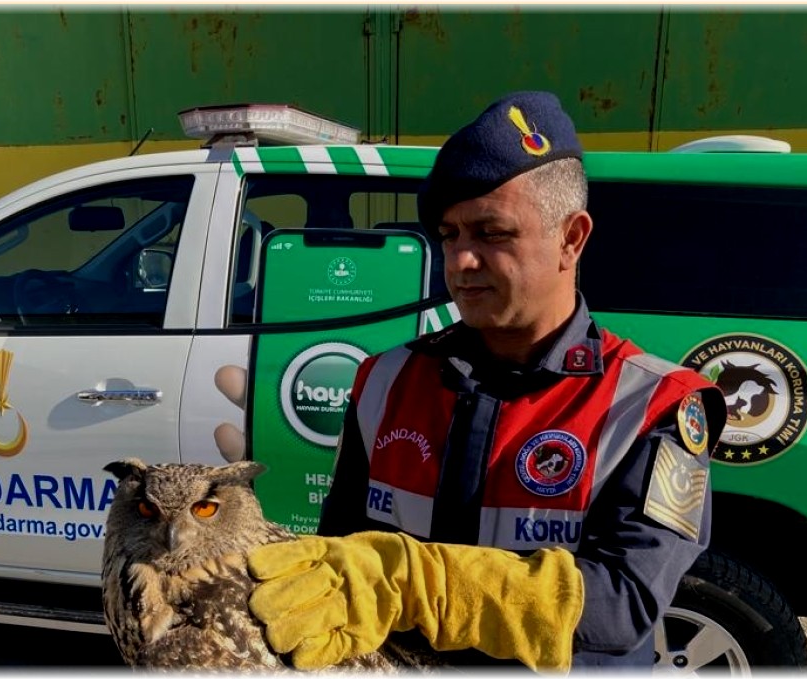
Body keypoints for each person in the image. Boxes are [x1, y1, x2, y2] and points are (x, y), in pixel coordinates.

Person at [247, 91, 726, 671]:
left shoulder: (654, 405)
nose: (460, 261)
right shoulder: (384, 381)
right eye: (449, 235)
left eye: (491, 233)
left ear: (571, 239)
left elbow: (623, 603)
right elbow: (340, 556)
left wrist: (422, 581)